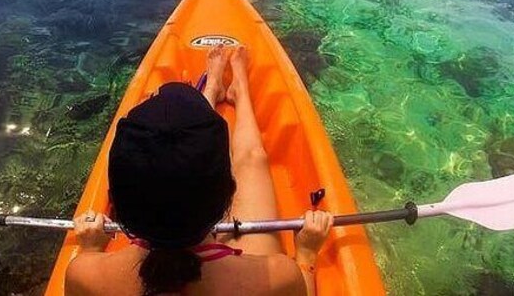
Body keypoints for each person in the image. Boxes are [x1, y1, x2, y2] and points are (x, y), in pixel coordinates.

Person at [65, 46, 332, 296]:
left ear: (115, 202)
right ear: (229, 195)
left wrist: (91, 248)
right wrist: (306, 256)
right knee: (251, 160)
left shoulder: (85, 275)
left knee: (201, 160)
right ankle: (239, 93)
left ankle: (212, 90)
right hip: (232, 276)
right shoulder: (279, 278)